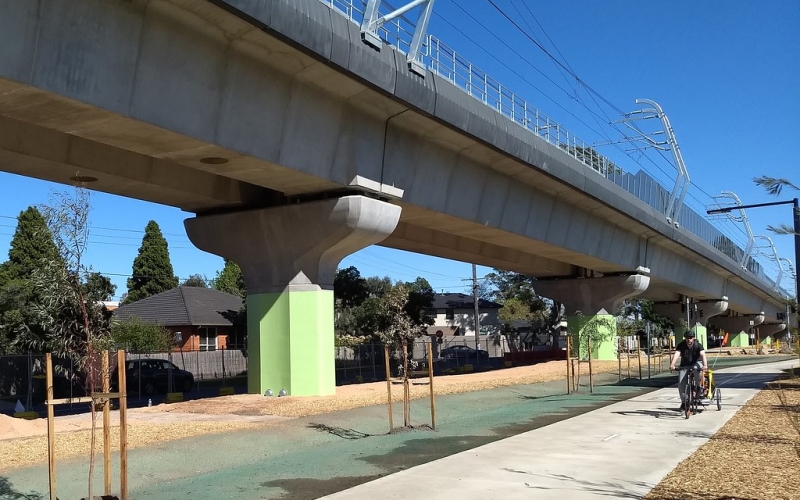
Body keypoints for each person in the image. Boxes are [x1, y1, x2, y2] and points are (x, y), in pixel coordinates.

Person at [669, 330, 708, 411]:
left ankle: (699, 387)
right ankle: (684, 403)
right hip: (684, 365)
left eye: (690, 338)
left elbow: (702, 355)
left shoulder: (698, 345)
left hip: (696, 363)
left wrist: (705, 365)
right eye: (687, 338)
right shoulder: (681, 345)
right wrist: (672, 364)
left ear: (693, 338)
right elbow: (677, 354)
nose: (689, 340)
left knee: (697, 369)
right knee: (681, 384)